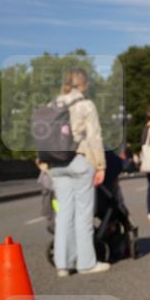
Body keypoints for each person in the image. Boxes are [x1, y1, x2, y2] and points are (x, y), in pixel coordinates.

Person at [48, 68, 111, 276]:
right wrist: (100, 165)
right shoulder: (86, 105)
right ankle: (86, 263)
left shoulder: (53, 104)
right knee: (83, 215)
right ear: (84, 83)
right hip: (79, 160)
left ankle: (62, 264)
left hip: (57, 164)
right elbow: (94, 137)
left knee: (63, 215)